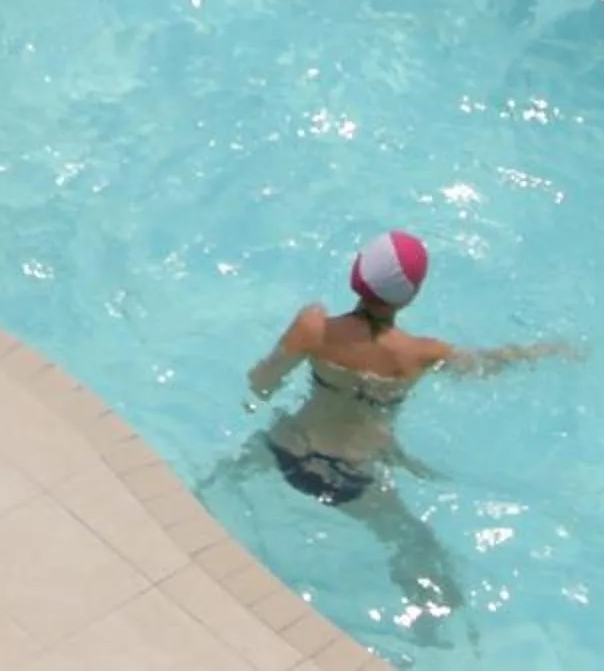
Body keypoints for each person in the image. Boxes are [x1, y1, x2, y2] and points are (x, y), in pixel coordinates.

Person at [238, 231, 580, 630]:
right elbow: (485, 365)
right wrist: (543, 352)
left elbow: (261, 383)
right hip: (353, 479)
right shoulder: (421, 354)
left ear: (357, 274)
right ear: (410, 296)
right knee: (422, 551)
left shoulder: (312, 326)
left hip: (286, 450)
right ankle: (444, 635)